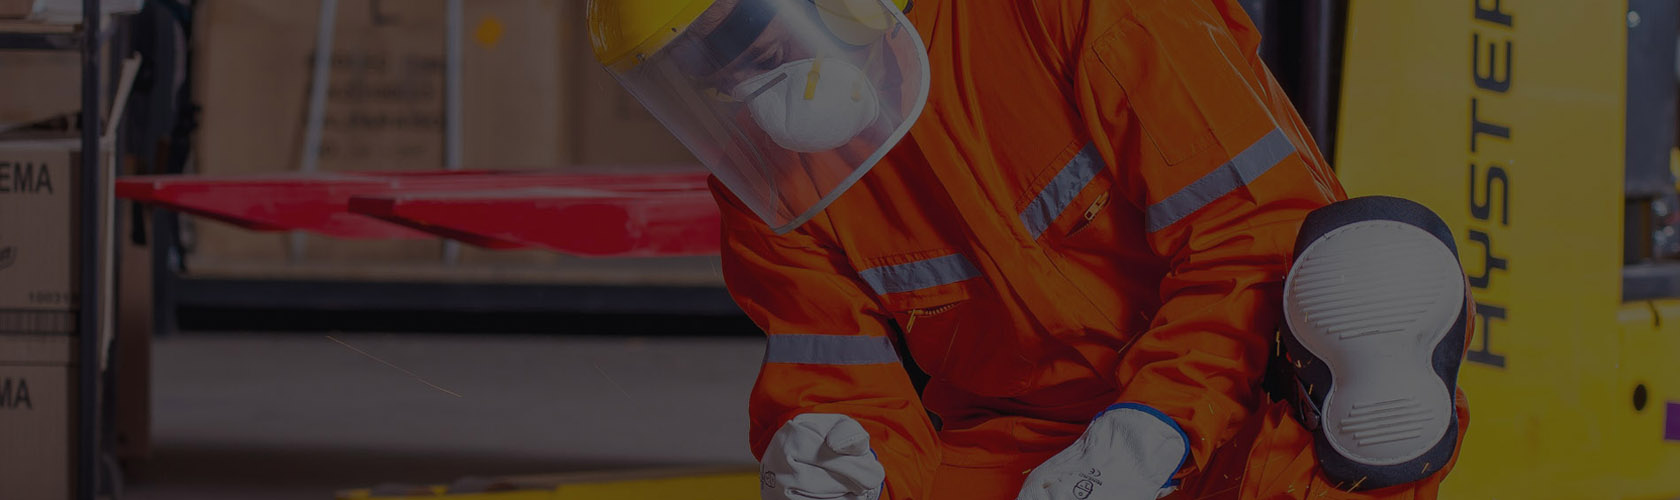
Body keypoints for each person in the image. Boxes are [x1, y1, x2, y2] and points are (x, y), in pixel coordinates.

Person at [585, 1, 1472, 499]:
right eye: (697, 69)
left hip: (1243, 387)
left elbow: (1254, 236)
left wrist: (1154, 429)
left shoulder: (1072, 10)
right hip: (1036, 440)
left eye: (735, 36)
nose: (738, 82)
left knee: (1363, 293)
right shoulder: (771, 179)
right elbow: (834, 372)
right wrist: (834, 450)